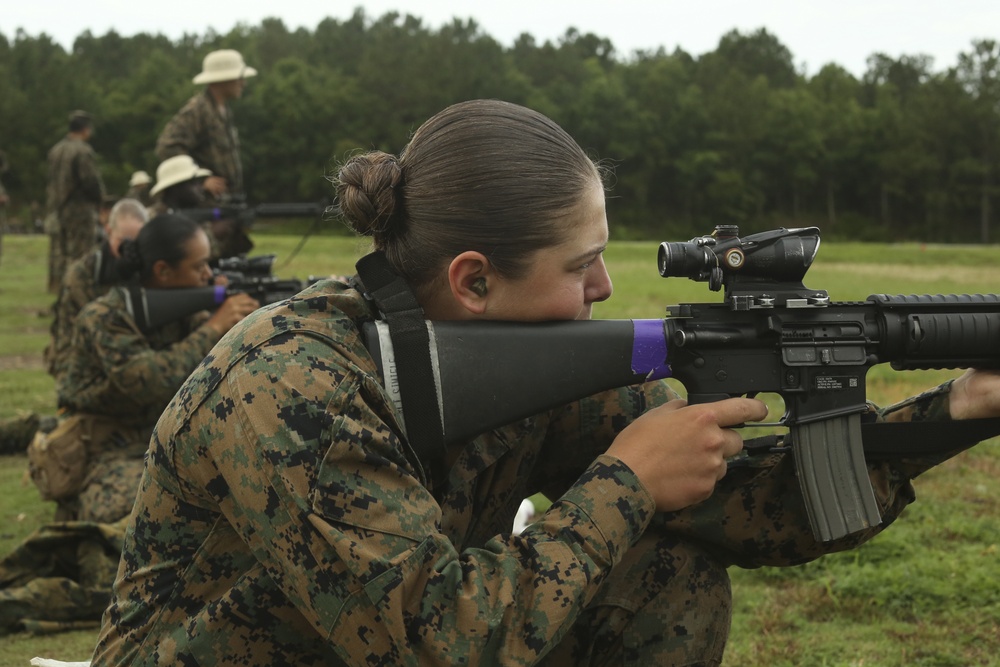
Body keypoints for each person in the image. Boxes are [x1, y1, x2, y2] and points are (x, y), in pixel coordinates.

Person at [91, 100, 1000, 667]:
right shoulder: (287, 388)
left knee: (669, 577)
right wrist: (627, 482)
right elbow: (434, 639)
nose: (604, 290)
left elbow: (745, 514)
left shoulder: (542, 358)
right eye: (583, 263)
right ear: (475, 280)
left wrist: (957, 411)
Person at [47, 213, 258, 524]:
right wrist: (215, 326)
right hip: (104, 448)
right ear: (162, 271)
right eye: (199, 266)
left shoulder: (186, 311)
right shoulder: (104, 316)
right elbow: (148, 381)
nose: (208, 274)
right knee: (136, 511)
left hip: (163, 440)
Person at [45, 198, 149, 382]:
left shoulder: (149, 269)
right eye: (123, 242)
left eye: (137, 242)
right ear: (109, 231)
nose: (130, 250)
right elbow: (67, 342)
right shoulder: (83, 274)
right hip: (88, 364)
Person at [155, 49, 257, 204]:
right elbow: (166, 147)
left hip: (227, 202)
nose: (243, 83)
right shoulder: (198, 110)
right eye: (239, 77)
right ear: (223, 78)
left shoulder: (224, 111)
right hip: (207, 204)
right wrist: (200, 179)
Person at [45, 110, 106, 294]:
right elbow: (90, 181)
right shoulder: (82, 150)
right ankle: (78, 292)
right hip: (80, 210)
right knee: (81, 253)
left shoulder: (56, 150)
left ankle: (61, 291)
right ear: (86, 129)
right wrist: (101, 201)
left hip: (58, 209)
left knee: (61, 254)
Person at [148, 154, 252, 259]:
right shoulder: (155, 218)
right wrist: (214, 233)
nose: (201, 187)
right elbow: (180, 256)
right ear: (176, 188)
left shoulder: (198, 211)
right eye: (194, 183)